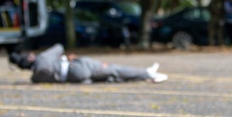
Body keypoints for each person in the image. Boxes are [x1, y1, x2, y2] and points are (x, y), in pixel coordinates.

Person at [9, 43, 168, 84]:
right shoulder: (42, 58)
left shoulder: (35, 77)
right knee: (113, 68)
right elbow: (59, 47)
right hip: (78, 66)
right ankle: (148, 73)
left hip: (75, 79)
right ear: (29, 58)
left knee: (111, 76)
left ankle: (144, 74)